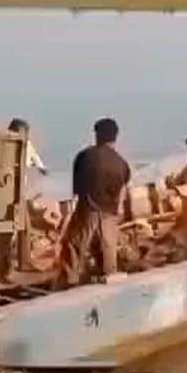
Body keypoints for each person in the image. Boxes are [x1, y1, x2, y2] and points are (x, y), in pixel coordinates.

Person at [55, 117, 131, 289]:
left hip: (88, 208)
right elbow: (123, 189)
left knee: (75, 245)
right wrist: (117, 209)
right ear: (115, 137)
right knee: (108, 248)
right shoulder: (121, 162)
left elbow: (77, 188)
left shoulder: (85, 156)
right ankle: (109, 280)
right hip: (110, 213)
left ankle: (70, 282)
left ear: (98, 135)